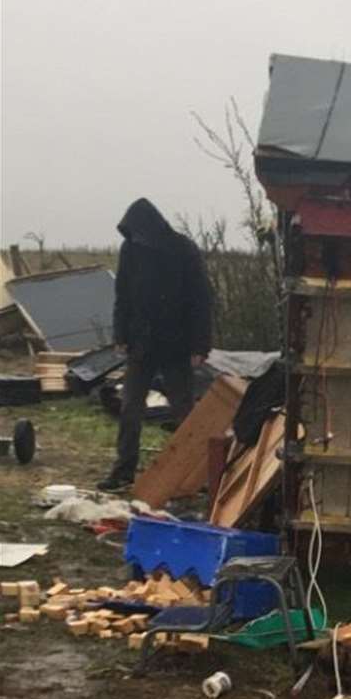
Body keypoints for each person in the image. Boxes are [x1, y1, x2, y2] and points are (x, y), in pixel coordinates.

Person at [97, 198, 214, 491]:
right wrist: (121, 336)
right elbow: (122, 295)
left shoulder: (182, 249)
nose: (135, 237)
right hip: (140, 344)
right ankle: (124, 471)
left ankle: (197, 473)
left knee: (184, 411)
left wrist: (200, 346)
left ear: (150, 227)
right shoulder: (130, 251)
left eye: (138, 232)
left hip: (176, 345)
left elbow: (201, 299)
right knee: (130, 408)